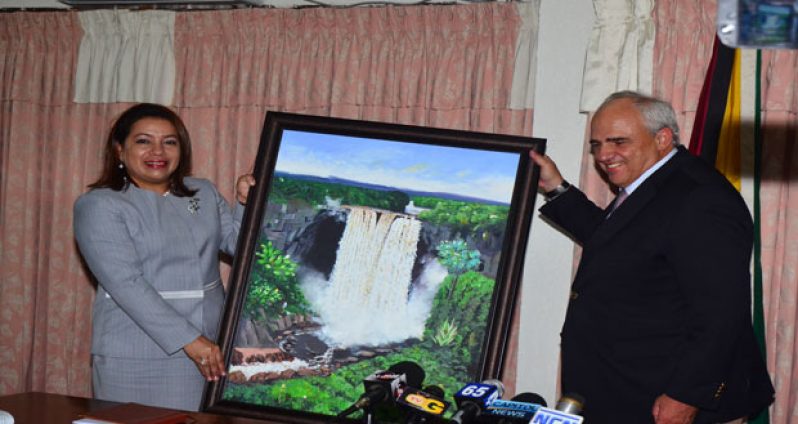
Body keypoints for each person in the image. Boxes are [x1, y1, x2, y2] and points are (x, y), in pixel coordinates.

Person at [530, 91, 774, 424]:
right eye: (597, 145)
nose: (604, 155)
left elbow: (721, 312)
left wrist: (686, 395)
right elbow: (622, 242)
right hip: (629, 391)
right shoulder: (652, 183)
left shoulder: (700, 198)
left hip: (671, 400)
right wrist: (556, 187)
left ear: (662, 138)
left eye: (618, 142)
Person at [73, 103, 255, 411]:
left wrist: (246, 201)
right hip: (139, 354)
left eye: (169, 142)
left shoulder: (203, 192)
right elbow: (126, 284)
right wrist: (191, 341)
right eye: (143, 141)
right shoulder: (99, 205)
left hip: (212, 348)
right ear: (119, 150)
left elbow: (241, 247)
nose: (158, 151)